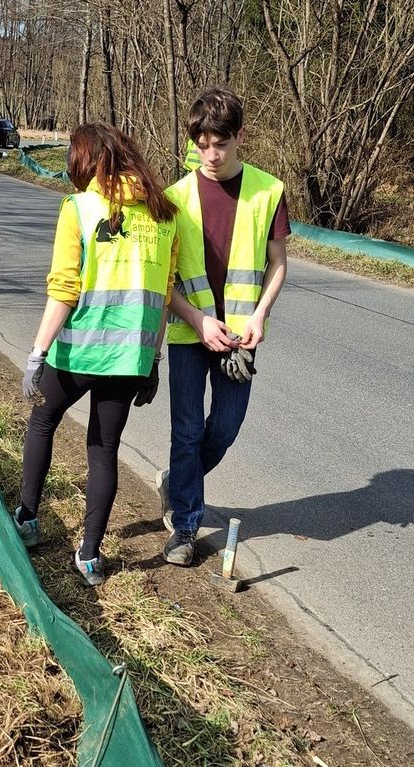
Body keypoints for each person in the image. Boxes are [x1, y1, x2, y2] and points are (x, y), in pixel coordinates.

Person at [13, 122, 178, 586]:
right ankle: (89, 557)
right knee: (103, 451)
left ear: (85, 159)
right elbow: (164, 297)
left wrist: (37, 352)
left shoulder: (80, 208)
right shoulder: (166, 214)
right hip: (129, 362)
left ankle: (27, 518)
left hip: (76, 355)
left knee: (43, 421)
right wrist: (153, 364)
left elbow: (64, 289)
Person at [158, 86, 290, 566]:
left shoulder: (268, 190)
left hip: (241, 338)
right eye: (201, 144)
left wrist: (258, 315)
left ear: (240, 137)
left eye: (220, 143)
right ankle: (185, 527)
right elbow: (164, 280)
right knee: (187, 431)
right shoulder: (173, 198)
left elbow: (278, 264)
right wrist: (196, 319)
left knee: (225, 429)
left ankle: (175, 482)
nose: (210, 154)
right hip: (190, 334)